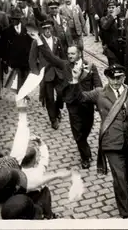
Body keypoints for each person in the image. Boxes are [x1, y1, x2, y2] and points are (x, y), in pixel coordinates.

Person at [62, 64, 128, 218]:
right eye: (112, 78)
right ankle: (126, 214)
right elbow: (79, 98)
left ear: (124, 77)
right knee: (119, 177)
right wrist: (74, 79)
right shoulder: (100, 93)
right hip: (111, 142)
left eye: (119, 77)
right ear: (107, 78)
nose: (115, 81)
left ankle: (122, 190)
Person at [28, 30, 102, 168]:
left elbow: (98, 85)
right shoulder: (65, 65)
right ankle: (85, 156)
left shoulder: (90, 67)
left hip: (87, 104)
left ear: (79, 53)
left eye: (72, 54)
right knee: (77, 132)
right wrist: (39, 40)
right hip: (72, 103)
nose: (70, 56)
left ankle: (83, 143)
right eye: (68, 54)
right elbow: (50, 56)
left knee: (86, 128)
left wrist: (98, 101)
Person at [28, 20, 66, 129]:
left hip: (58, 73)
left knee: (61, 94)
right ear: (41, 30)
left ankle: (57, 109)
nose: (47, 31)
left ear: (52, 29)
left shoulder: (56, 40)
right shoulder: (37, 42)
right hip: (46, 74)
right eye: (45, 29)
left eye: (49, 28)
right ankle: (53, 119)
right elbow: (32, 59)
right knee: (49, 97)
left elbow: (63, 56)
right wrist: (36, 73)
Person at [0, 9, 33, 93]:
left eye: (16, 19)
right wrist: (5, 60)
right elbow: (3, 46)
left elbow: (32, 43)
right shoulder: (6, 31)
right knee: (18, 76)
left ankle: (23, 91)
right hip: (14, 59)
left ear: (20, 19)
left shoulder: (27, 30)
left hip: (26, 58)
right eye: (12, 19)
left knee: (25, 76)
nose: (14, 21)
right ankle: (20, 93)